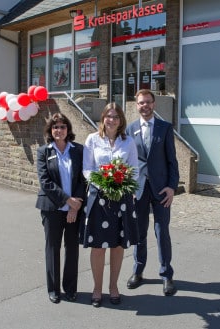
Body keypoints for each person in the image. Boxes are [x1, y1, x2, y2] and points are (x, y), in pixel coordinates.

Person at [81, 103, 139, 307]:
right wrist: (103, 183)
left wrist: (123, 185)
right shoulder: (92, 139)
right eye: (108, 116)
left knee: (117, 245)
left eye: (116, 117)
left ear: (121, 120)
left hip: (121, 200)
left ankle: (113, 287)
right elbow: (87, 169)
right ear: (103, 118)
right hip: (99, 199)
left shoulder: (128, 141)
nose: (112, 120)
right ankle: (97, 288)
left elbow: (135, 170)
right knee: (98, 247)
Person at [126, 89, 179, 296]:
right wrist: (129, 186)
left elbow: (172, 160)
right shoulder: (130, 129)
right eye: (141, 103)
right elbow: (128, 161)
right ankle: (138, 271)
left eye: (148, 102)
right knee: (139, 233)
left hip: (161, 189)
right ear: (136, 105)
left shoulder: (165, 128)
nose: (145, 106)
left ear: (154, 104)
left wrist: (172, 187)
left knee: (161, 232)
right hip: (138, 190)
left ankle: (166, 275)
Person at [36, 113, 86, 304]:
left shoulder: (78, 150)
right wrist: (68, 201)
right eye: (55, 127)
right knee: (52, 248)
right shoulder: (43, 151)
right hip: (52, 209)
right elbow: (45, 182)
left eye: (62, 126)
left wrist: (76, 205)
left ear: (68, 129)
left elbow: (83, 178)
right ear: (50, 130)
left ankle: (71, 289)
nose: (59, 130)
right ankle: (54, 289)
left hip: (75, 208)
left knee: (72, 249)